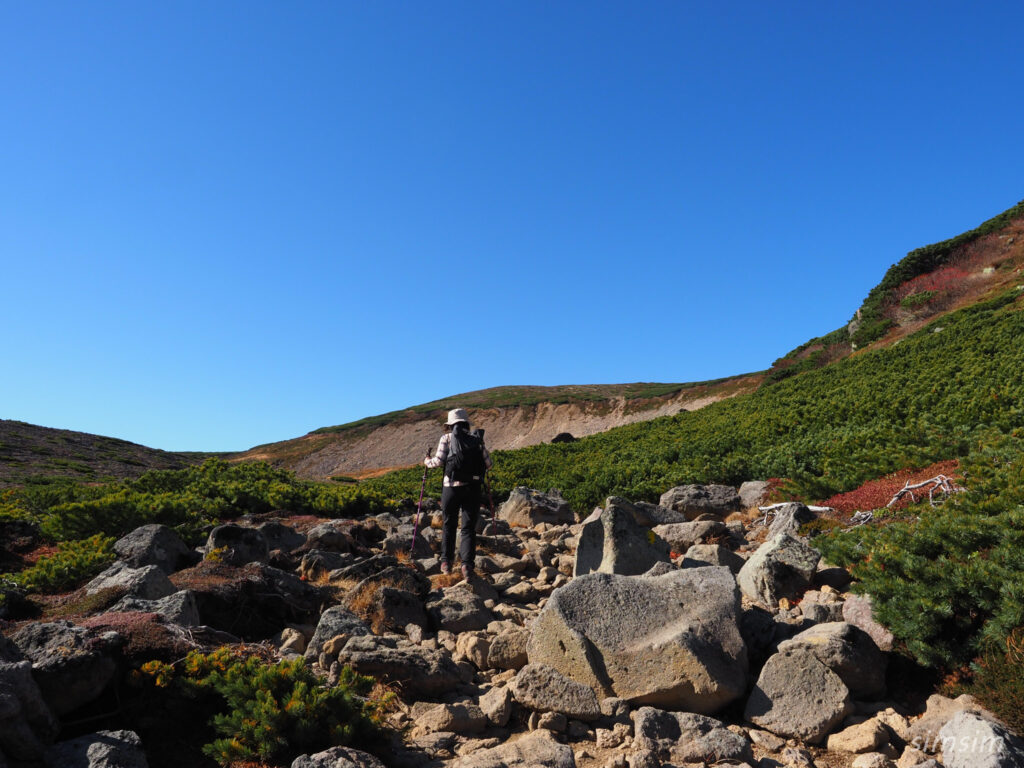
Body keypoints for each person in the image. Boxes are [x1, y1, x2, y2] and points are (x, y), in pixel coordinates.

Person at [424, 408, 492, 579]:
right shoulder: (476, 440)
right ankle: (467, 567)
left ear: (450, 425)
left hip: (451, 488)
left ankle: (446, 563)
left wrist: (426, 461)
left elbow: (438, 461)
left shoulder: (446, 438)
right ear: (465, 423)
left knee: (449, 525)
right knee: (468, 528)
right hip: (473, 488)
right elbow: (489, 464)